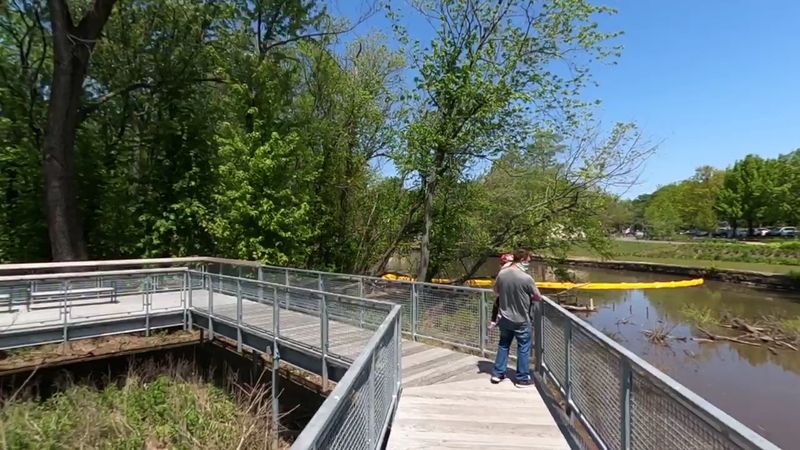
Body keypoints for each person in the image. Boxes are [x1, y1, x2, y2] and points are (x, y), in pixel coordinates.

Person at [490, 248, 542, 387]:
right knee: (523, 347)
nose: (528, 264)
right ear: (523, 260)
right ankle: (522, 378)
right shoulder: (526, 278)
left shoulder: (502, 274)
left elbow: (496, 291)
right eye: (528, 261)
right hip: (521, 319)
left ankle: (497, 373)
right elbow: (537, 296)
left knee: (503, 344)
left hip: (505, 317)